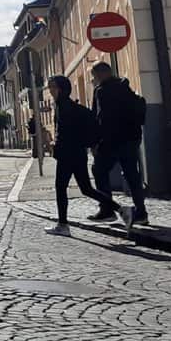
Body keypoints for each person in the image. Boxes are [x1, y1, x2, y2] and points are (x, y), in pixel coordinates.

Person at [45, 75, 127, 236]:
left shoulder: (63, 107)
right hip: (78, 153)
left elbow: (65, 133)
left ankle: (63, 225)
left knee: (61, 188)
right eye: (49, 87)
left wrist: (56, 146)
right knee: (86, 189)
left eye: (53, 87)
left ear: (61, 89)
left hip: (67, 155)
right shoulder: (72, 106)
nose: (51, 90)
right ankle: (123, 210)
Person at [88, 61, 150, 226]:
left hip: (112, 141)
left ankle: (107, 209)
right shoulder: (125, 87)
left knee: (99, 170)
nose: (93, 80)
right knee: (132, 175)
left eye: (94, 76)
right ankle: (141, 212)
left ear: (100, 74)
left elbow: (100, 118)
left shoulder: (101, 91)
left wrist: (95, 142)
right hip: (131, 138)